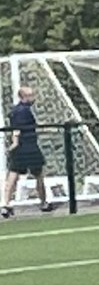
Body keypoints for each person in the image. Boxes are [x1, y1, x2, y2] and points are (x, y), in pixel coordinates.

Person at [2, 86, 55, 218]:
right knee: (29, 175)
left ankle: (6, 205)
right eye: (31, 95)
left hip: (27, 144)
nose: (33, 97)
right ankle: (41, 203)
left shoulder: (20, 110)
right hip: (26, 146)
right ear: (23, 97)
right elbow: (16, 129)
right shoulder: (21, 111)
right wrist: (15, 142)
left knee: (16, 175)